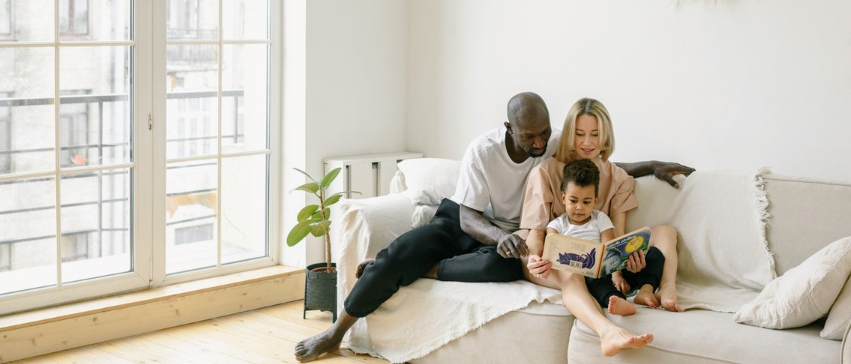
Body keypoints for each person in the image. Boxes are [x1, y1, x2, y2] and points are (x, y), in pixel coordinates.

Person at [294, 92, 692, 362]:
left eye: (544, 133)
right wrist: (501, 237)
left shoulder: (551, 144)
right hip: (463, 221)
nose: (539, 142)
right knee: (405, 251)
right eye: (529, 135)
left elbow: (598, 161)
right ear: (509, 128)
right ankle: (338, 330)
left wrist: (651, 167)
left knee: (502, 268)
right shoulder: (483, 151)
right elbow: (468, 216)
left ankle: (416, 269)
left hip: (509, 236)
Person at [521, 97, 686, 312]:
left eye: (595, 134)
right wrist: (535, 259)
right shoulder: (544, 173)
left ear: (605, 135)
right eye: (579, 134)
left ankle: (666, 288)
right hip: (553, 261)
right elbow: (536, 233)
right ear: (569, 134)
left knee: (666, 232)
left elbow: (616, 236)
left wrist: (625, 262)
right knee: (570, 271)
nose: (587, 143)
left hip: (599, 260)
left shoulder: (618, 178)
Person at [529, 159, 658, 356]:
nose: (579, 207)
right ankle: (617, 301)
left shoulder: (601, 219)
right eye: (573, 201)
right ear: (563, 198)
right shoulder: (557, 225)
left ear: (595, 201)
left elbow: (609, 249)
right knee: (595, 283)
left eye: (586, 202)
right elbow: (553, 251)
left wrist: (617, 275)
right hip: (581, 275)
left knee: (654, 255)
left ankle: (637, 292)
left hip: (603, 269)